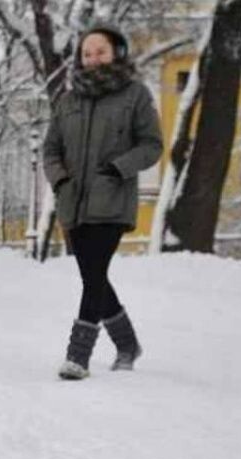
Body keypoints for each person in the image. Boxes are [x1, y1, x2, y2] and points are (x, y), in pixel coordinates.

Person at [43, 23, 163, 380]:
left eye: (101, 51)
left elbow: (152, 145)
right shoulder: (68, 101)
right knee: (93, 275)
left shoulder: (135, 95)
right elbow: (51, 149)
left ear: (116, 53)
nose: (93, 58)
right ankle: (127, 344)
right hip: (73, 203)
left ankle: (77, 357)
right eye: (87, 53)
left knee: (94, 275)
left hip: (111, 200)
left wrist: (118, 167)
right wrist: (60, 179)